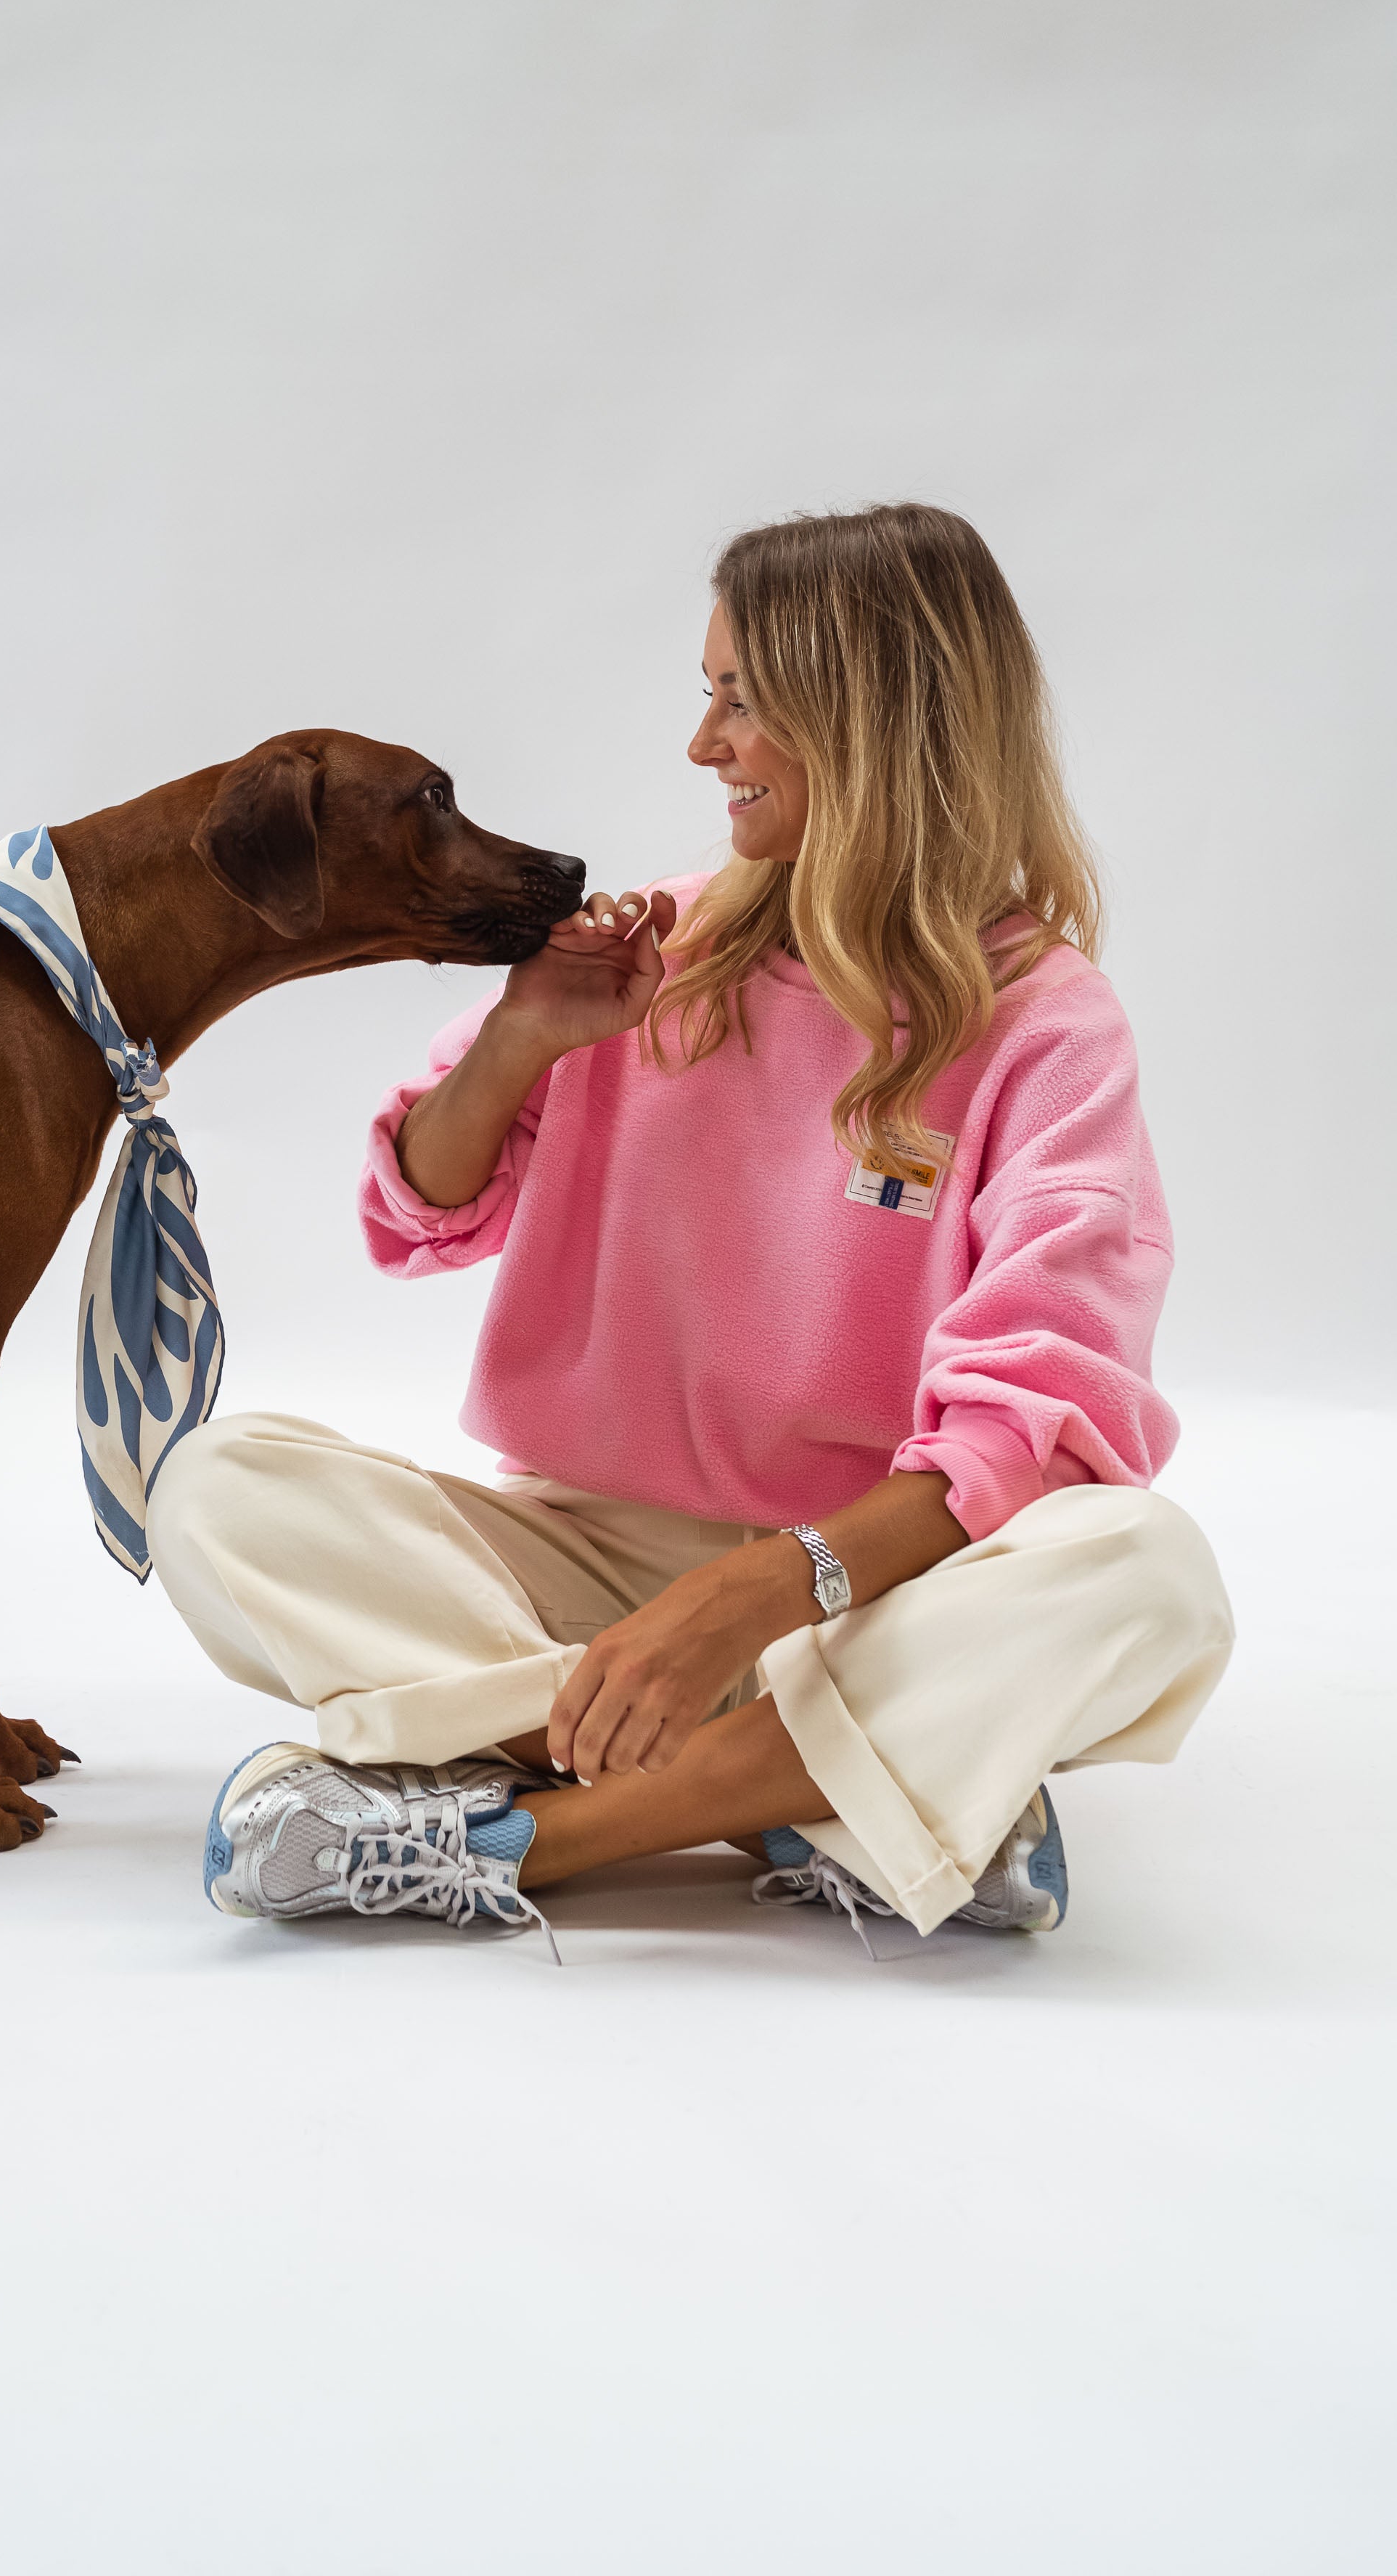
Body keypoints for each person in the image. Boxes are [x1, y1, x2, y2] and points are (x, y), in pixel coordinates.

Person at [145, 504, 1234, 1955]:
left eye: (737, 701)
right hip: (583, 1565)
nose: (700, 745)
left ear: (860, 719)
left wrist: (759, 1592)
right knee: (222, 1490)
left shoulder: (1043, 1023)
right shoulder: (649, 945)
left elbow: (1033, 1416)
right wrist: (520, 1040)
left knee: (1143, 1573)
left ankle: (532, 1825)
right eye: (703, 695)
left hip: (877, 1581)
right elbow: (414, 1206)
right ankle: (848, 1789)